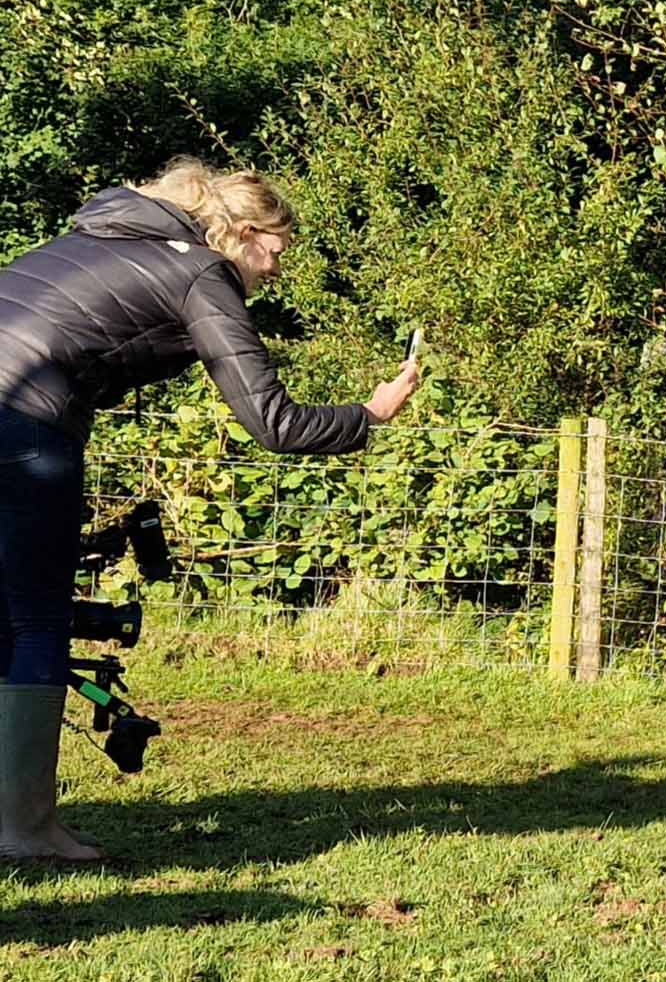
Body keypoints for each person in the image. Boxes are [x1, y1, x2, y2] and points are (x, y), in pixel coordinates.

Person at [0, 157, 420, 860]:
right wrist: (369, 414)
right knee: (34, 620)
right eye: (278, 248)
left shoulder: (102, 236)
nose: (277, 267)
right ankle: (23, 828)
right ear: (244, 232)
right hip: (23, 427)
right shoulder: (200, 271)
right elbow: (273, 423)